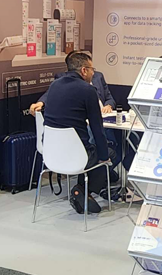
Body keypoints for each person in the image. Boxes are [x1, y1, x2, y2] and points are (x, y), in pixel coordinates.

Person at [43, 52, 113, 214]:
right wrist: (104, 156)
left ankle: (83, 192)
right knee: (109, 154)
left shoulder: (54, 86)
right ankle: (83, 190)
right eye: (92, 69)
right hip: (78, 155)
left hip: (51, 154)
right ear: (83, 70)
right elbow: (97, 128)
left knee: (95, 155)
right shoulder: (87, 90)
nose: (93, 73)